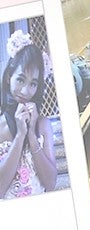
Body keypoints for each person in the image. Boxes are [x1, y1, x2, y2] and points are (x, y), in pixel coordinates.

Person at [1, 36, 58, 199]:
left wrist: (31, 135)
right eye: (20, 80)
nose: (26, 91)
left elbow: (51, 183)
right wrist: (20, 136)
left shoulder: (43, 124)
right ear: (8, 77)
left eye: (33, 84)